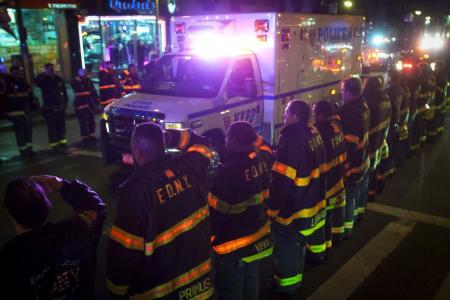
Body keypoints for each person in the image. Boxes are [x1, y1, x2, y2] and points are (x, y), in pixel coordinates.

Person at [106, 123, 215, 299]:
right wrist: (171, 136)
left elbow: (124, 256)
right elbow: (202, 142)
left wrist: (116, 292)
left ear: (138, 153)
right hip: (201, 285)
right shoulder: (189, 167)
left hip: (162, 293)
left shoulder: (136, 195)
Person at [0, 175, 106, 298]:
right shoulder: (77, 230)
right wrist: (61, 184)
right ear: (47, 205)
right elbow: (96, 207)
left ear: (10, 213)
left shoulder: (9, 260)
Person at [208, 121, 273, 300]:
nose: (226, 141)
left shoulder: (228, 172)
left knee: (232, 288)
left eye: (228, 137)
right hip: (257, 235)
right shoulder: (261, 159)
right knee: (251, 280)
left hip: (232, 243)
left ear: (236, 141)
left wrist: (210, 237)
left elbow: (216, 212)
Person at [268, 100, 326, 295]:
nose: (283, 116)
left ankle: (288, 287)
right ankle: (295, 280)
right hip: (312, 201)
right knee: (299, 244)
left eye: (286, 112)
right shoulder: (313, 133)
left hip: (294, 209)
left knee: (287, 248)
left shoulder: (291, 140)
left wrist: (273, 209)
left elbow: (282, 182)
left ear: (295, 115)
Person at [338, 77, 370, 237]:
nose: (340, 94)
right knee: (356, 192)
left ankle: (346, 230)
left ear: (350, 91)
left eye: (343, 91)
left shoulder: (348, 112)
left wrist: (344, 163)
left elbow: (349, 141)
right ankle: (356, 217)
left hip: (352, 163)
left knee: (348, 198)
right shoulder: (363, 106)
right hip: (362, 159)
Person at [313, 101, 347, 247]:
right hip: (337, 177)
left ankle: (320, 251)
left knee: (322, 219)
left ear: (320, 115)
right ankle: (329, 242)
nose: (313, 115)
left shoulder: (319, 131)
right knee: (330, 215)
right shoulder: (336, 125)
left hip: (326, 182)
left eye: (315, 112)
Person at [363, 76, 391, 202]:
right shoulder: (386, 98)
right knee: (377, 167)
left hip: (371, 143)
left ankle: (369, 194)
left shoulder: (370, 102)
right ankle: (376, 189)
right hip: (381, 139)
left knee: (369, 171)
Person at [3, 66, 34, 157]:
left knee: (28, 128)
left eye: (18, 72)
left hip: (24, 110)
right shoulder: (7, 83)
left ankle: (29, 149)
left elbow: (29, 94)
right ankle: (23, 151)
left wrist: (31, 106)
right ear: (11, 73)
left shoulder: (23, 82)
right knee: (20, 128)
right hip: (13, 111)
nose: (17, 74)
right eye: (15, 72)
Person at [36, 63, 68, 151]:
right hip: (49, 108)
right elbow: (38, 82)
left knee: (61, 126)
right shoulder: (43, 79)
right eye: (49, 70)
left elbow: (64, 91)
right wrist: (44, 74)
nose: (52, 71)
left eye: (52, 69)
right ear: (45, 70)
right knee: (52, 128)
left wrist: (65, 103)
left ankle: (62, 143)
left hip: (60, 107)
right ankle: (54, 145)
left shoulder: (58, 79)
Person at [71, 68, 99, 144]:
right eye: (85, 74)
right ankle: (85, 138)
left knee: (91, 121)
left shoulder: (88, 81)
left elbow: (93, 91)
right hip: (80, 104)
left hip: (89, 103)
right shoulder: (75, 81)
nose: (86, 76)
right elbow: (78, 89)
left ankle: (91, 135)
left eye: (86, 74)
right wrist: (83, 82)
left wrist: (96, 101)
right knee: (83, 122)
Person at [432, 61, 448, 137]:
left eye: (436, 66)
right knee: (440, 116)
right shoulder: (442, 75)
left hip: (439, 99)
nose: (435, 68)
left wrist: (433, 86)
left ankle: (435, 132)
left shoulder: (440, 77)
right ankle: (439, 131)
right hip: (442, 99)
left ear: (439, 67)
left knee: (437, 116)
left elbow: (441, 90)